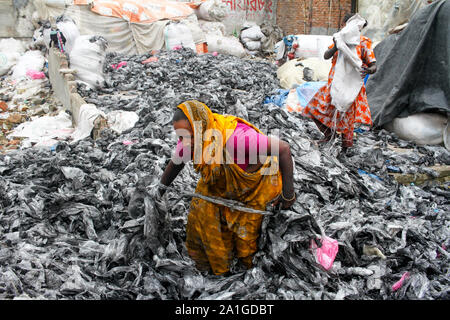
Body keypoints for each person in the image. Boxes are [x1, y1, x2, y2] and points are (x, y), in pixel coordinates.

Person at [158, 100, 295, 275]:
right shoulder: (190, 140)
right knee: (202, 219)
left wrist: (288, 194)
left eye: (188, 136)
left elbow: (283, 149)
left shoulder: (237, 139)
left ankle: (247, 270)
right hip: (220, 181)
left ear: (203, 127)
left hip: (255, 187)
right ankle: (214, 268)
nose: (184, 142)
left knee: (246, 240)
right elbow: (176, 163)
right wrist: (160, 190)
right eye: (180, 136)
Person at [302, 13, 377, 154]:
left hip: (351, 88)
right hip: (332, 85)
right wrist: (337, 46)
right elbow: (326, 55)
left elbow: (373, 65)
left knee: (346, 117)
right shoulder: (338, 39)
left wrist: (368, 70)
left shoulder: (363, 42)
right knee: (313, 109)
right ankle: (329, 135)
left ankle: (345, 149)